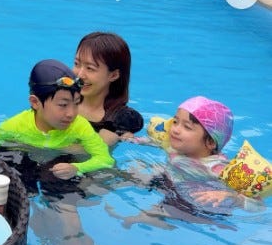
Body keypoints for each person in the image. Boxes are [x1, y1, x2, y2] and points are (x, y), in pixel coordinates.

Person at [110, 96, 263, 227]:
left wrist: (232, 197)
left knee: (154, 212)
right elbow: (154, 141)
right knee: (136, 168)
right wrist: (131, 139)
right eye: (175, 122)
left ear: (210, 142)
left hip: (192, 203)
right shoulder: (176, 144)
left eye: (187, 127)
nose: (175, 129)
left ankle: (135, 221)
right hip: (171, 181)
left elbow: (258, 205)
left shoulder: (217, 168)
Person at [0, 59, 115, 179]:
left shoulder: (80, 126)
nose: (71, 114)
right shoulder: (14, 126)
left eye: (76, 103)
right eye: (63, 105)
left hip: (59, 165)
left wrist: (77, 168)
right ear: (35, 102)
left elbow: (105, 159)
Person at [73, 31, 143, 146]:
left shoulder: (119, 120)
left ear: (113, 75)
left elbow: (93, 150)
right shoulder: (60, 99)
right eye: (77, 64)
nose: (80, 75)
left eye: (90, 68)